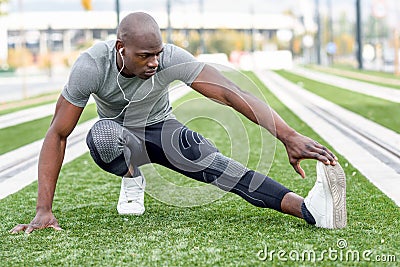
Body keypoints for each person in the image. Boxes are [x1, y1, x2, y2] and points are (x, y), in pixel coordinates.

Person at [10, 12, 346, 234]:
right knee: (102, 134)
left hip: (163, 129)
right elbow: (57, 134)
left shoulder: (169, 57)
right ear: (121, 48)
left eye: (157, 53)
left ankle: (310, 210)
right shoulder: (91, 66)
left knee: (223, 170)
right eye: (145, 56)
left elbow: (230, 92)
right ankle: (131, 177)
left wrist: (286, 135)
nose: (155, 62)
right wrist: (43, 210)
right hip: (120, 138)